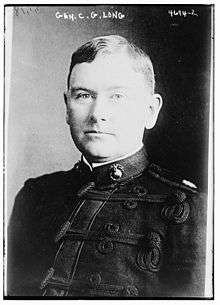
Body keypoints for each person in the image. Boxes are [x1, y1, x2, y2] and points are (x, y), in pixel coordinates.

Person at [7, 35, 207, 298]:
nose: (97, 112)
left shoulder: (191, 209)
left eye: (117, 96)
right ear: (67, 107)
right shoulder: (35, 197)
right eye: (83, 95)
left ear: (150, 111)